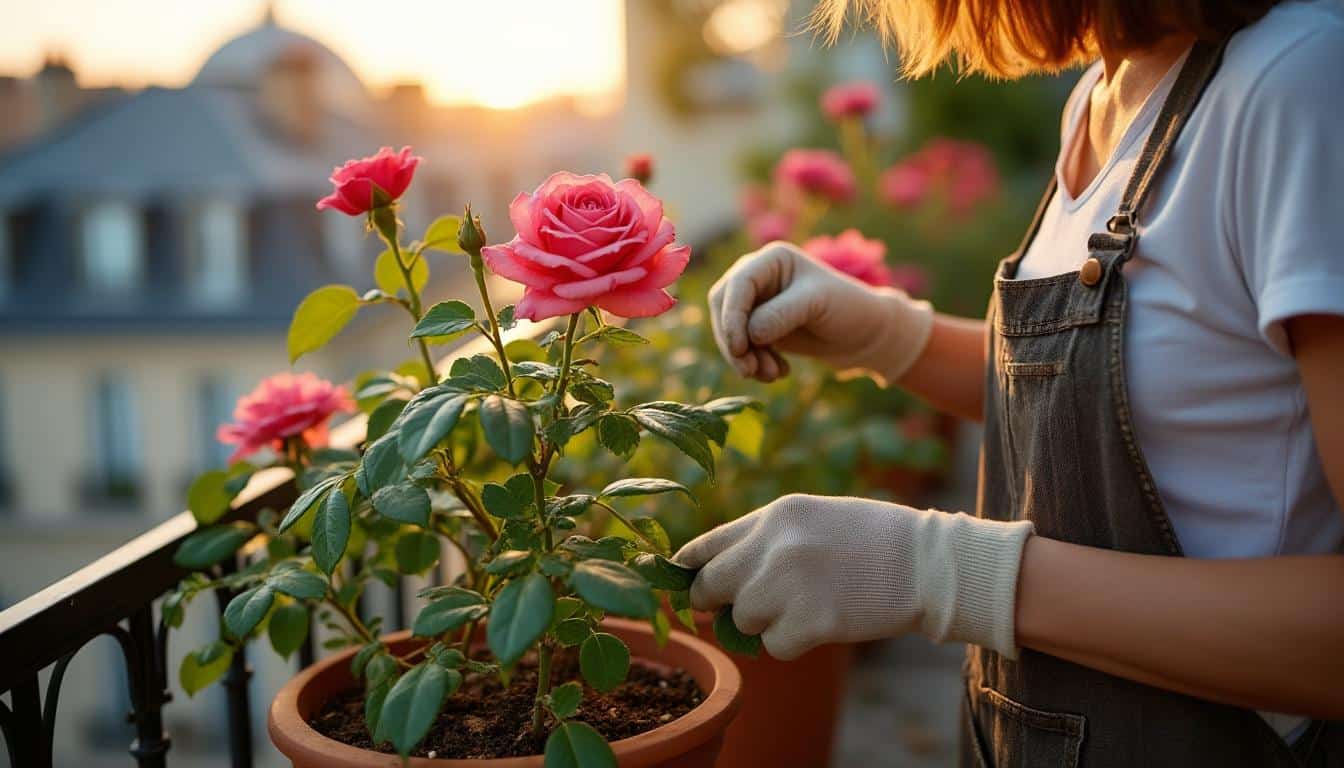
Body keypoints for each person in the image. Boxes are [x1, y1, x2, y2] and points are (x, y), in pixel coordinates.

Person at [676, 0, 1344, 764]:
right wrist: (889, 334)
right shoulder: (1100, 98)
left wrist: (934, 569)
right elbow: (1124, 409)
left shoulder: (1301, 81)